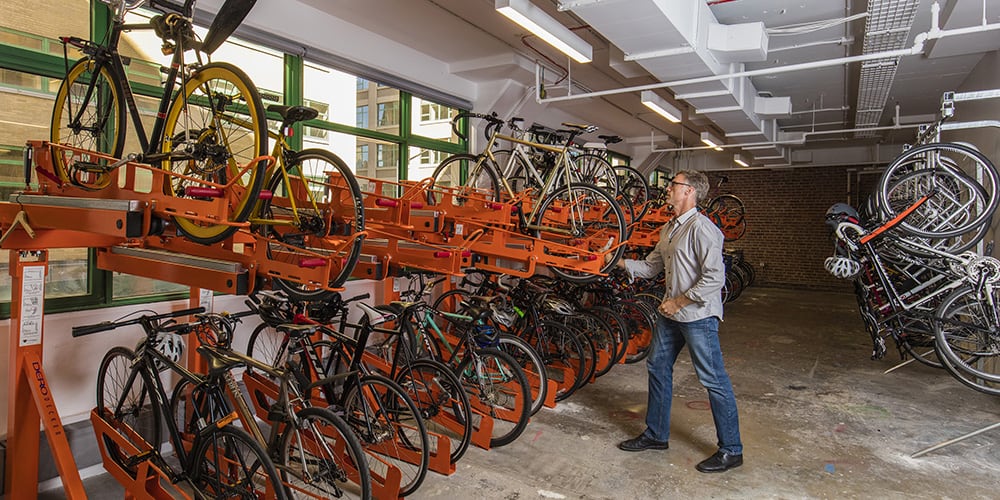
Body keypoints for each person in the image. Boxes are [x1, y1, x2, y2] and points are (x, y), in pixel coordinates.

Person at [613, 170, 744, 473]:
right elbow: (649, 267)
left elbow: (714, 278)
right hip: (671, 315)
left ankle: (732, 449)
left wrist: (679, 301)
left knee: (713, 379)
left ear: (689, 192)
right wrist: (617, 262)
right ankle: (657, 435)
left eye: (673, 185)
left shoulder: (703, 229)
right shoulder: (669, 228)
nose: (668, 190)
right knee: (657, 367)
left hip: (697, 315)